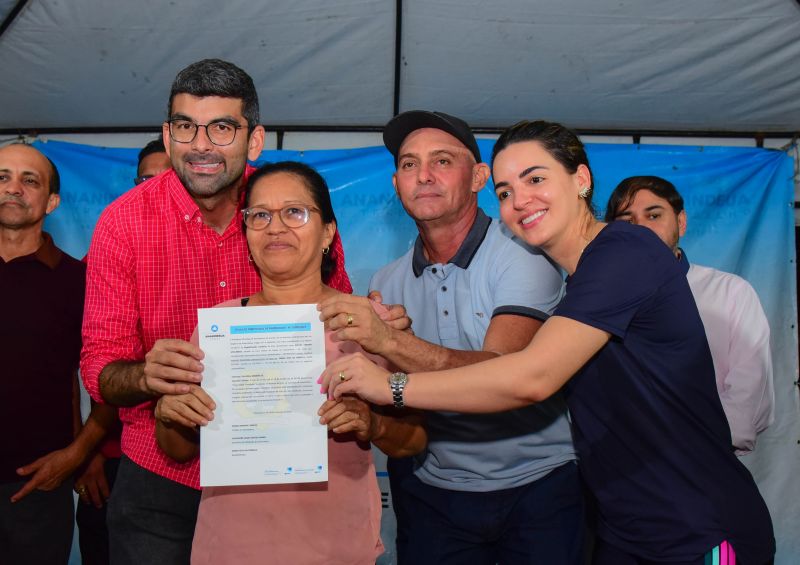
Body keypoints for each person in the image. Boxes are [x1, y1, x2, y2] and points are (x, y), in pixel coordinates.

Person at [321, 120, 775, 565]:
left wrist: (390, 385)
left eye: (535, 178)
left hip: (697, 524)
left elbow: (531, 377)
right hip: (625, 527)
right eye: (505, 191)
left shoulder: (626, 251)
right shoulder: (583, 279)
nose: (520, 200)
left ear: (581, 179)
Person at [318, 111, 581, 565]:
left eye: (442, 161)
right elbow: (392, 405)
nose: (423, 175)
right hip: (433, 492)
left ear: (479, 176)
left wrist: (391, 343)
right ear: (396, 184)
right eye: (408, 165)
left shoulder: (524, 254)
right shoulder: (387, 280)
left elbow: (504, 372)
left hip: (539, 485)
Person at [154, 161, 426, 564]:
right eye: (259, 215)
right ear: (245, 233)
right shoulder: (219, 328)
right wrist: (169, 414)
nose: (275, 227)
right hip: (229, 546)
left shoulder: (367, 323)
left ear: (328, 233)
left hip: (335, 547)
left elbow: (415, 440)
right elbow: (177, 449)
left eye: (294, 212)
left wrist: (374, 424)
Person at [80, 59, 271, 563]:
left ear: (254, 141)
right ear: (168, 136)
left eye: (222, 128)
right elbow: (99, 369)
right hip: (159, 482)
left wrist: (367, 325)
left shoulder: (290, 208)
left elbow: (330, 327)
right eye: (186, 126)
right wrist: (148, 376)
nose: (201, 145)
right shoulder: (121, 224)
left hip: (271, 469)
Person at [0, 143, 115, 564]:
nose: (13, 188)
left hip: (36, 485)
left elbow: (111, 381)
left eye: (29, 180)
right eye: (2, 177)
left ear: (51, 201)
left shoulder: (81, 282)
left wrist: (79, 453)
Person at [604, 175, 774, 455]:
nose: (642, 229)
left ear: (680, 222)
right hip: (621, 465)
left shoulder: (729, 292)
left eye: (654, 215)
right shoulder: (601, 301)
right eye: (627, 220)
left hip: (709, 458)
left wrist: (687, 444)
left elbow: (749, 390)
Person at [76, 138, 175, 565]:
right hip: (122, 453)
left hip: (208, 458)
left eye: (166, 178)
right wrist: (88, 451)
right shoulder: (108, 251)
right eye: (146, 179)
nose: (155, 188)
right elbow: (90, 365)